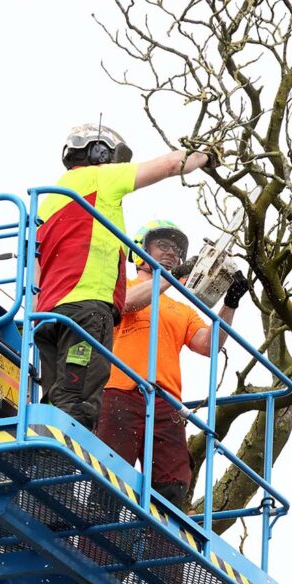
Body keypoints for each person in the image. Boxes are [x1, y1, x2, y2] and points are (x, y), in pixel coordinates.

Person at [34, 125, 212, 430]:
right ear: (99, 153)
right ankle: (66, 457)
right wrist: (206, 156)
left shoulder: (49, 200)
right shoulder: (99, 177)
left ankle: (44, 451)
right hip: (87, 310)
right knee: (80, 400)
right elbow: (170, 165)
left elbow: (36, 265)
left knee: (55, 394)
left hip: (49, 316)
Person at [97, 219, 250, 509]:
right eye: (163, 246)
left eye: (177, 250)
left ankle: (156, 548)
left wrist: (229, 304)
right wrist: (169, 277)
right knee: (109, 477)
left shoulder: (181, 309)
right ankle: (94, 547)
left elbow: (209, 345)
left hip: (165, 402)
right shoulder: (120, 287)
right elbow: (125, 304)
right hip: (119, 392)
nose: (172, 253)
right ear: (139, 252)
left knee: (172, 485)